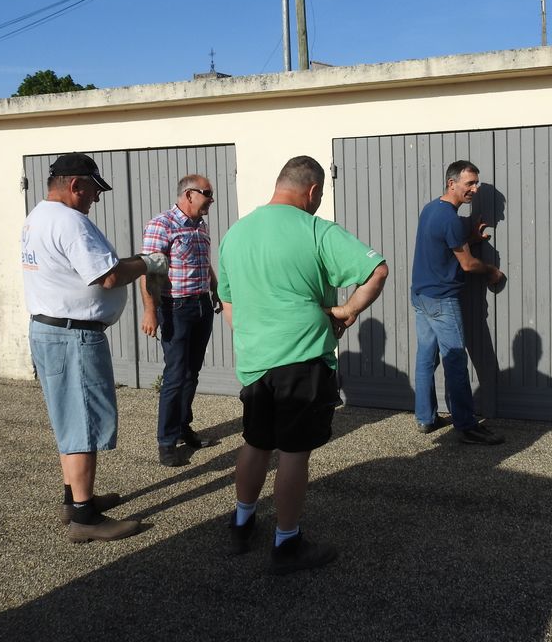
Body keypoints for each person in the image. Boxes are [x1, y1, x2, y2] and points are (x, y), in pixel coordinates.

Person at [217, 155, 388, 574]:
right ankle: (287, 543)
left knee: (256, 442)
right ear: (312, 191)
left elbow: (228, 301)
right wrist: (347, 310)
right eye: (320, 195)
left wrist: (254, 335)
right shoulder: (315, 230)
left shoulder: (236, 233)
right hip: (303, 358)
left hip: (256, 361)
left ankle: (241, 524)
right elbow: (377, 270)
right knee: (294, 452)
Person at [22, 152, 169, 543]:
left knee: (68, 418)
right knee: (83, 422)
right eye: (93, 190)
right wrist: (147, 263)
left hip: (49, 329)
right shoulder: (70, 222)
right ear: (75, 185)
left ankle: (74, 499)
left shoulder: (38, 217)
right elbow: (108, 277)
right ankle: (85, 518)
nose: (96, 198)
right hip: (73, 336)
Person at [411, 160, 506, 445]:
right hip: (442, 300)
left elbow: (443, 241)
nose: (475, 189)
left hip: (421, 296)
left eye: (476, 183)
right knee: (455, 362)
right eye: (470, 183)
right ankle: (466, 426)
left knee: (426, 358)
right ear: (452, 183)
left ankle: (425, 418)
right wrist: (492, 271)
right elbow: (466, 264)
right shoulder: (450, 219)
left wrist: (470, 237)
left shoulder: (431, 208)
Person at [140, 174, 221, 467]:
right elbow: (149, 272)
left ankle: (183, 426)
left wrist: (215, 289)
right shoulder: (162, 225)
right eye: (207, 193)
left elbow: (203, 264)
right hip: (175, 308)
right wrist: (150, 311)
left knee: (192, 372)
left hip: (201, 305)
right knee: (175, 374)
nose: (211, 199)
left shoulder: (200, 226)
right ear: (189, 194)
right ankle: (166, 441)